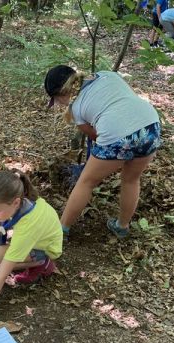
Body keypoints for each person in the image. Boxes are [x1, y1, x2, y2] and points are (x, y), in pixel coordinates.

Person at [44, 65, 161, 240]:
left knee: (86, 182)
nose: (59, 104)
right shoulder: (106, 75)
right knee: (131, 179)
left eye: (57, 100)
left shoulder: (76, 109)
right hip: (151, 124)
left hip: (117, 133)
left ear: (62, 93)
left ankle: (61, 230)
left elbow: (96, 136)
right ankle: (122, 226)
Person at [0, 170, 63, 336]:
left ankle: (42, 263)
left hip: (44, 248)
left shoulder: (27, 228)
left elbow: (1, 275)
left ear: (15, 202)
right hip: (32, 236)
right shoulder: (19, 201)